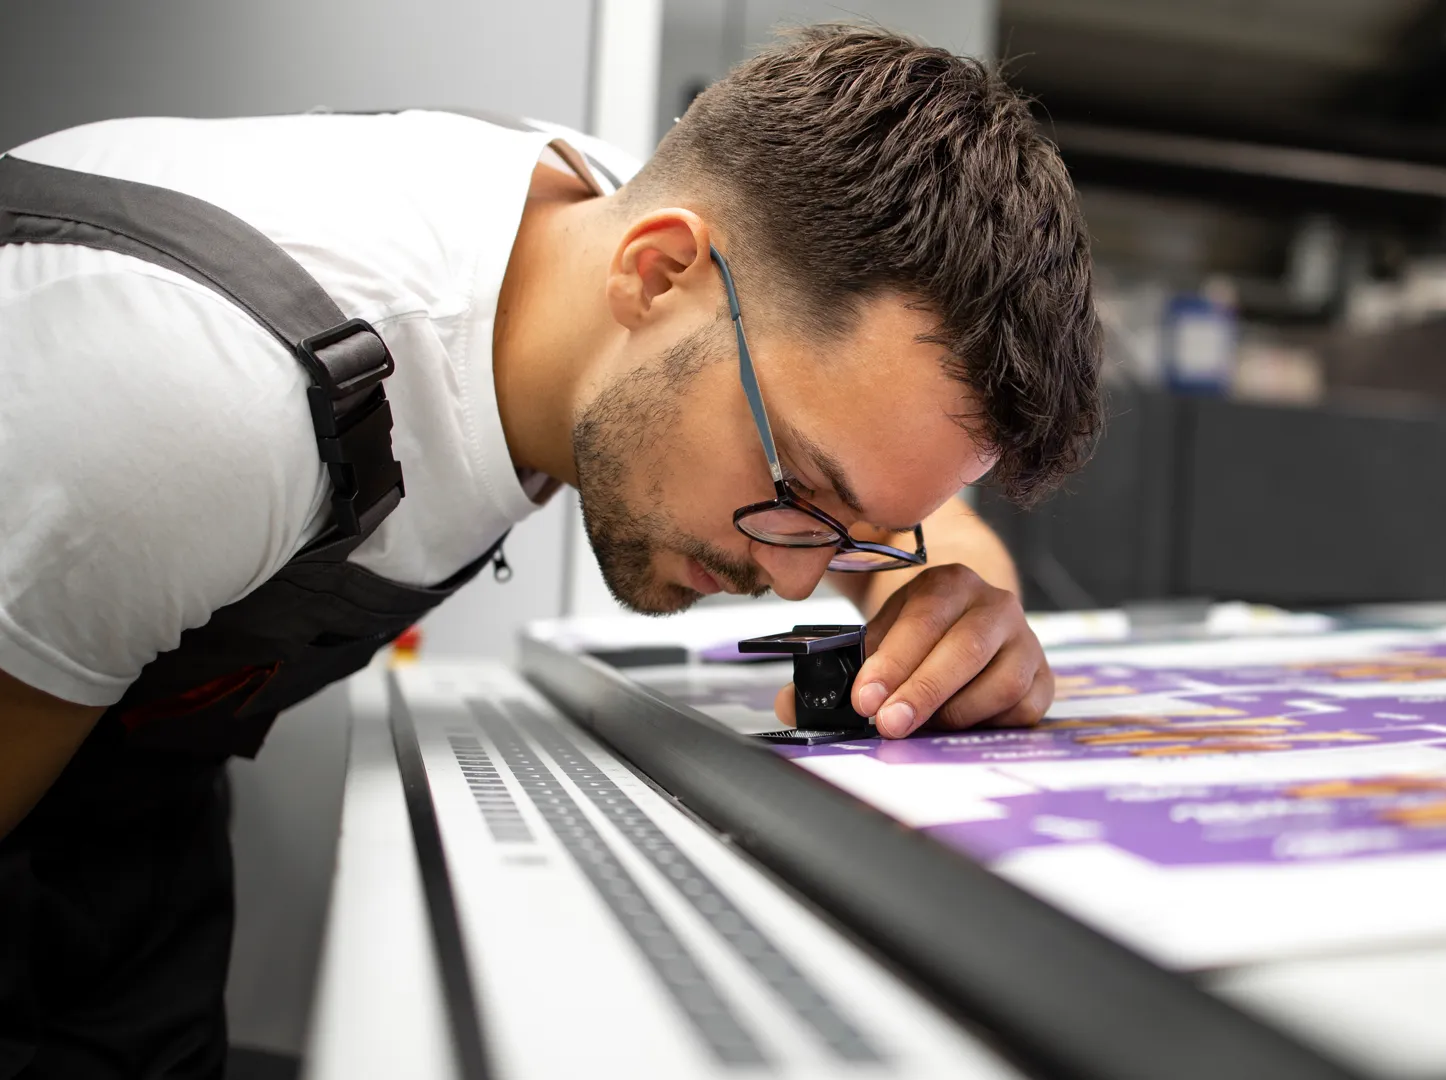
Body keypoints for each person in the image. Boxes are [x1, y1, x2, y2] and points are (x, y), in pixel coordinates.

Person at [0, 25, 1101, 1079]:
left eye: (855, 531)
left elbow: (918, 515)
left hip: (127, 789)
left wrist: (953, 611)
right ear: (656, 274)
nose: (803, 575)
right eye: (797, 489)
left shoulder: (663, 238)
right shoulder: (199, 398)